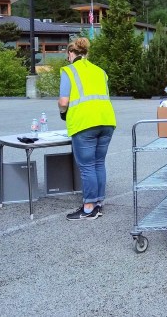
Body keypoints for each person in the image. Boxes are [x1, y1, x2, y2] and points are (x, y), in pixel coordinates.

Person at [57, 37, 116, 220]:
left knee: (87, 166)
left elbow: (63, 102)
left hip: (84, 123)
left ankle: (89, 208)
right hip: (107, 121)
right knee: (99, 163)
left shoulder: (69, 71)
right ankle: (98, 203)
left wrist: (63, 113)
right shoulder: (100, 71)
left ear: (70, 53)